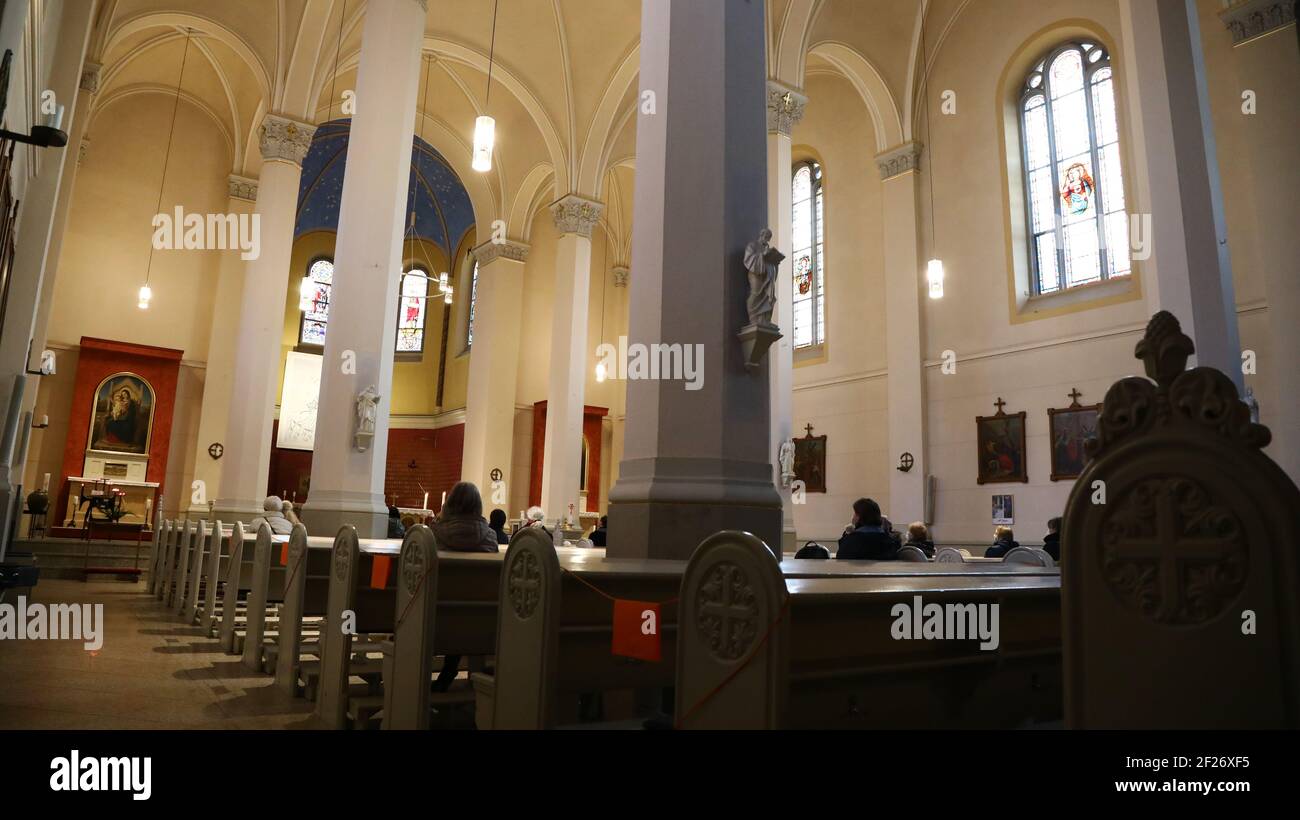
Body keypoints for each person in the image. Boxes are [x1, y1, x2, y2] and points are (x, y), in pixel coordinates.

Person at [430, 482, 499, 692]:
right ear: (478, 505)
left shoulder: (431, 536)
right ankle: (450, 673)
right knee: (463, 612)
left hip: (434, 616)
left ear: (449, 503)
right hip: (479, 620)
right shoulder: (490, 537)